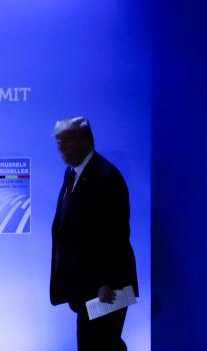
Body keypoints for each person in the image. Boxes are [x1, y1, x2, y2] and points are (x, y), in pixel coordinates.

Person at [50, 116, 138, 351]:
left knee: (100, 345)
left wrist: (107, 281)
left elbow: (115, 235)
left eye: (67, 140)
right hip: (84, 287)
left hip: (105, 290)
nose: (61, 147)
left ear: (87, 140)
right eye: (58, 141)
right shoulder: (71, 174)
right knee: (99, 344)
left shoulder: (106, 177)